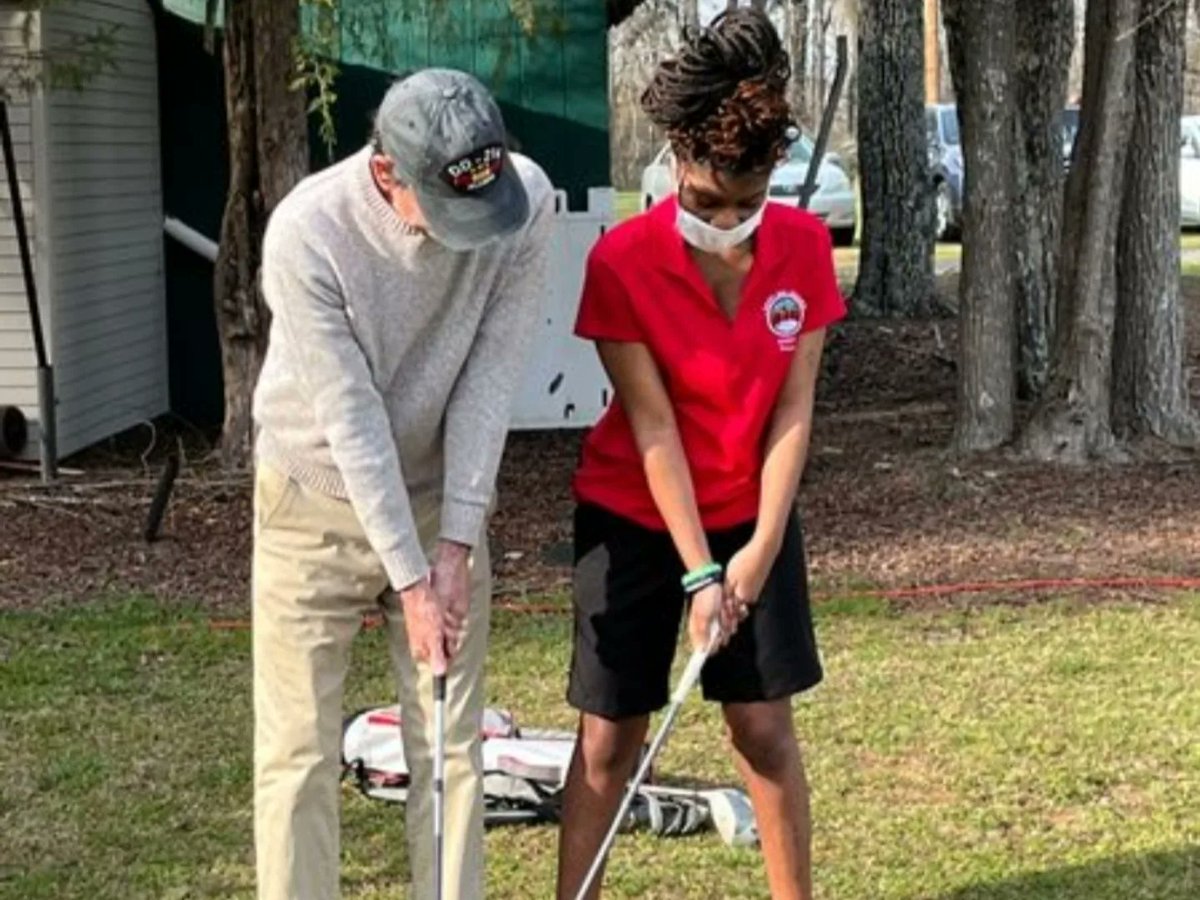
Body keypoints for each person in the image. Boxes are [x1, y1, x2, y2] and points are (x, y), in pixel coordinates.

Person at [555, 10, 845, 900]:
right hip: (637, 514)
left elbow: (792, 414)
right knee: (610, 738)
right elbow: (653, 429)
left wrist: (753, 555)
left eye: (746, 202)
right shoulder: (622, 261)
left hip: (752, 508)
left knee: (761, 727)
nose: (726, 220)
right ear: (677, 161)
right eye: (706, 200)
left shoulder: (801, 249)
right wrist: (699, 577)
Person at [251, 69, 553, 900]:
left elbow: (493, 375)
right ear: (389, 173)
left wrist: (455, 541)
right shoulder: (307, 233)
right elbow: (350, 420)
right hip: (310, 496)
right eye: (452, 211)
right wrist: (411, 579)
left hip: (435, 500)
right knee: (299, 754)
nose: (474, 234)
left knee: (452, 747)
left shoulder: (523, 206)